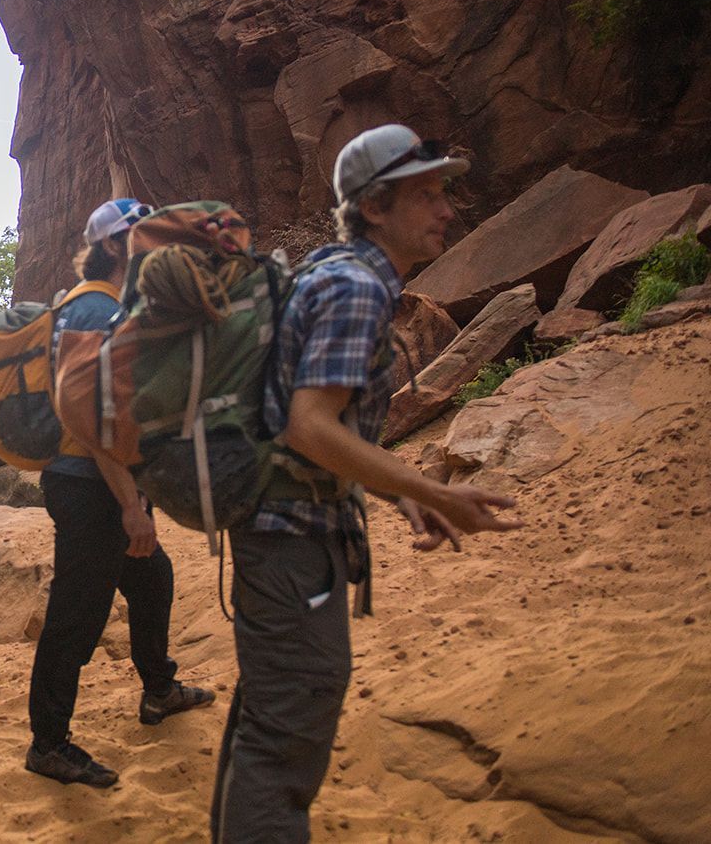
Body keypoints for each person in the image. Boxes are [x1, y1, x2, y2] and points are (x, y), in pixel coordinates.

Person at [209, 125, 525, 842]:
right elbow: (309, 426)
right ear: (375, 207)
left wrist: (400, 492)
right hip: (293, 548)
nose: (446, 208)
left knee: (263, 726)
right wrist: (437, 489)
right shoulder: (355, 288)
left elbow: (327, 428)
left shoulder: (332, 273)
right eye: (427, 192)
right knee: (285, 742)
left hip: (275, 538)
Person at [26, 198, 217, 789]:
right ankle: (49, 745)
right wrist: (132, 507)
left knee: (151, 579)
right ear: (114, 246)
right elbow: (92, 420)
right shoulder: (91, 311)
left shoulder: (105, 307)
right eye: (142, 234)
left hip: (96, 483)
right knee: (75, 618)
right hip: (91, 488)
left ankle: (158, 690)